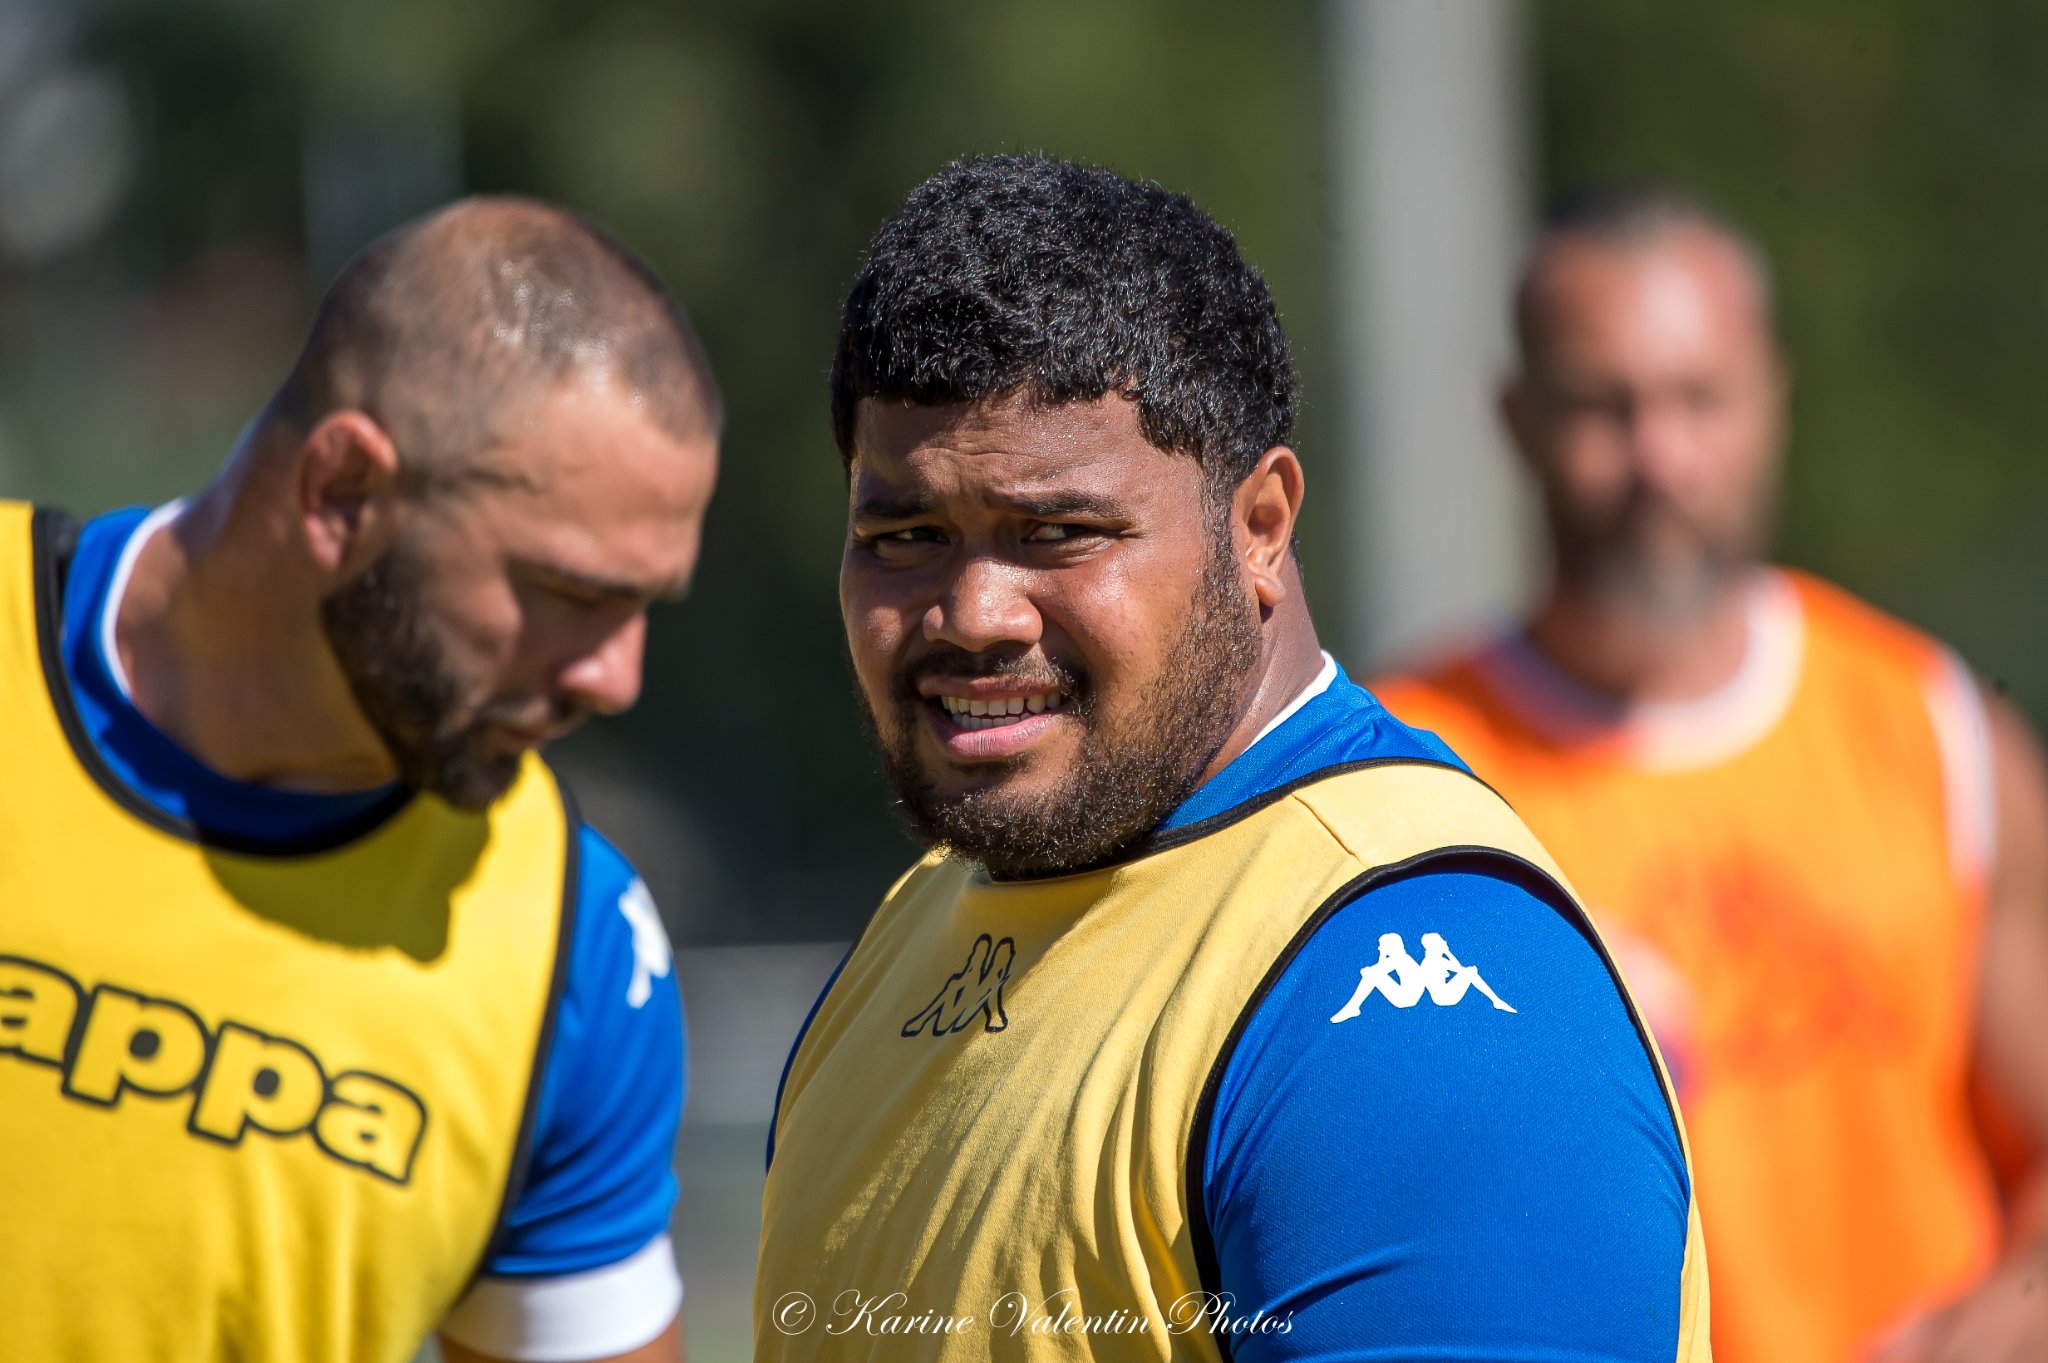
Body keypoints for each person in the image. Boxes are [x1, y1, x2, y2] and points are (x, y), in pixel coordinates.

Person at [754, 154, 1709, 1362]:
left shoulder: (1403, 997)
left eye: (1056, 532)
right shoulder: (909, 935)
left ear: (1259, 527)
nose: (974, 610)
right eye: (906, 536)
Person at [0, 197, 718, 1363]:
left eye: (643, 606)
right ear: (341, 494)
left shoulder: (570, 952)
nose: (615, 676)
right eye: (568, 593)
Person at [1371, 186, 2048, 1363]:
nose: (1659, 459)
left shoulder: (1934, 731)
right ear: (1515, 420)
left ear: (1769, 401)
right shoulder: (1401, 781)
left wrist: (1973, 1337)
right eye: (1603, 407)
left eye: (1698, 400)